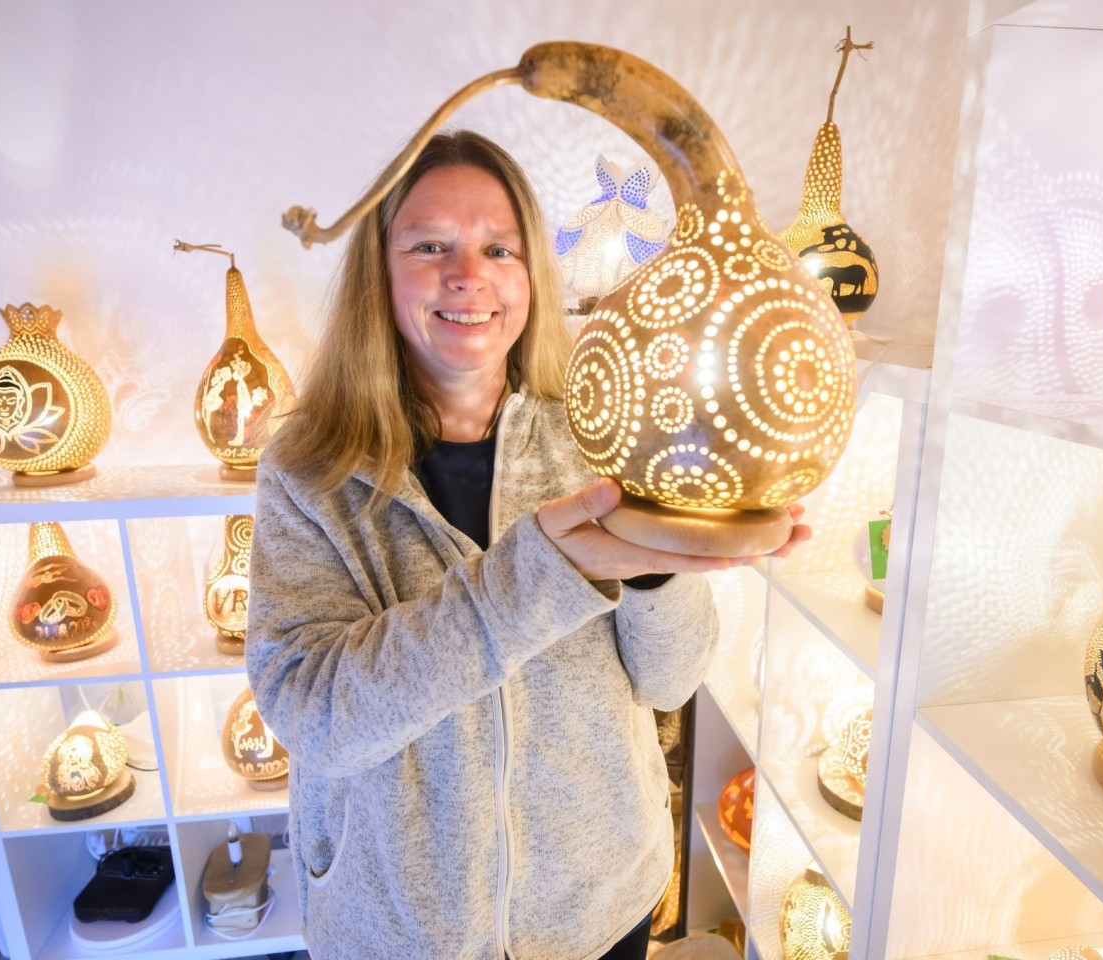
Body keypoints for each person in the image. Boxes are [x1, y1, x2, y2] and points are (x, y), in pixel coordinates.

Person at [246, 129, 807, 960]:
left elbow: (670, 678)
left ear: (532, 275)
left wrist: (661, 562)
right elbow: (314, 713)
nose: (467, 276)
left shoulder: (604, 438)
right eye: (429, 245)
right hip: (402, 929)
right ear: (380, 273)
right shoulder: (312, 469)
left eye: (497, 248)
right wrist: (545, 575)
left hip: (596, 904)